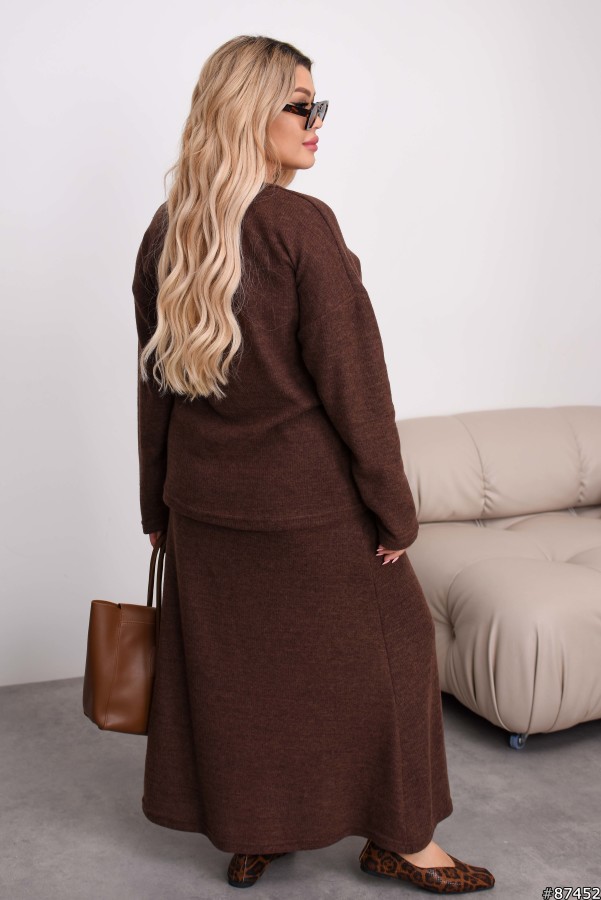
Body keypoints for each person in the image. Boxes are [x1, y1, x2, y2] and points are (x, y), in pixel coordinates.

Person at [132, 35, 495, 894]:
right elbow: (354, 387)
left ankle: (255, 826)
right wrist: (394, 511)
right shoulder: (299, 225)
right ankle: (404, 841)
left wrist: (156, 509)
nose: (315, 121)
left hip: (204, 511)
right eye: (300, 105)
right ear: (247, 111)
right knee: (398, 657)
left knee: (240, 675)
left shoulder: (169, 230)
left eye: (315, 105)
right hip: (307, 509)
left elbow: (154, 387)